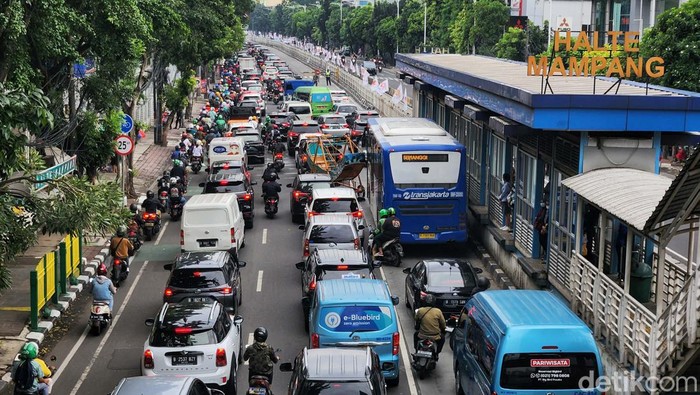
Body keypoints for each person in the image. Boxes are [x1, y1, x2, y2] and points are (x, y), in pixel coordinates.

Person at [414, 294, 446, 359]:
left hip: (422, 335)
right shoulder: (438, 311)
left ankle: (416, 351)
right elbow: (443, 323)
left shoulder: (420, 311)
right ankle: (437, 353)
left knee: (415, 335)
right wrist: (443, 329)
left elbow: (416, 319)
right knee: (442, 338)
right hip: (435, 336)